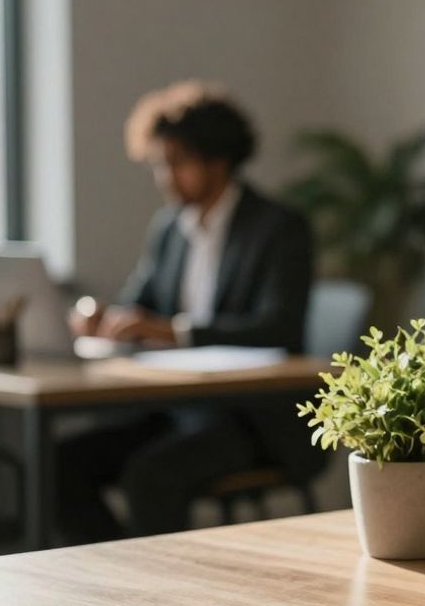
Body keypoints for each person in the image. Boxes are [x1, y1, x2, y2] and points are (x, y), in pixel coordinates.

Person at [59, 80, 323, 542]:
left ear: (218, 160)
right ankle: (117, 582)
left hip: (248, 418)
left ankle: (155, 603)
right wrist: (101, 316)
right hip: (173, 408)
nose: (164, 177)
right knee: (62, 463)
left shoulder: (278, 228)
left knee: (150, 475)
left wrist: (172, 332)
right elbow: (136, 302)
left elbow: (278, 328)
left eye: (176, 163)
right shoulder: (169, 229)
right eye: (160, 164)